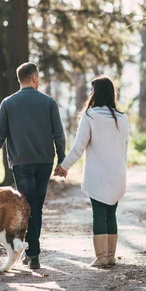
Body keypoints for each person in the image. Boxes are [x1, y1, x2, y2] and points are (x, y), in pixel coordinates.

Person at [0, 62, 66, 270]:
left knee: (27, 206)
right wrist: (62, 161)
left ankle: (32, 253)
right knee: (36, 206)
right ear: (34, 78)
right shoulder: (49, 102)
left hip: (21, 162)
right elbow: (59, 135)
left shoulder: (8, 103)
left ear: (21, 79)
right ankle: (33, 253)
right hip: (45, 161)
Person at [55, 76, 129, 268]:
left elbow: (78, 147)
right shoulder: (123, 117)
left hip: (99, 175)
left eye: (92, 90)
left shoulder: (90, 116)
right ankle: (111, 256)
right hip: (118, 173)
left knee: (99, 213)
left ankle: (102, 257)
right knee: (111, 213)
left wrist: (63, 166)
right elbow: (125, 148)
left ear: (96, 93)